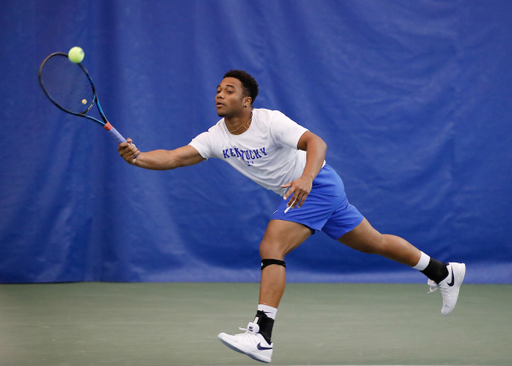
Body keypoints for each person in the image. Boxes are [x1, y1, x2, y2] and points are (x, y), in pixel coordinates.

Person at [118, 70, 466, 364]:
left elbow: (317, 143)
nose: (219, 95)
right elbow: (175, 157)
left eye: (229, 90)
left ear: (247, 101)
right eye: (218, 90)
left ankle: (262, 335)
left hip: (316, 185)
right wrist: (138, 158)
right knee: (373, 242)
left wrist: (306, 177)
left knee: (272, 245)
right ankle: (442, 271)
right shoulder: (216, 137)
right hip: (309, 190)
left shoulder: (270, 122)